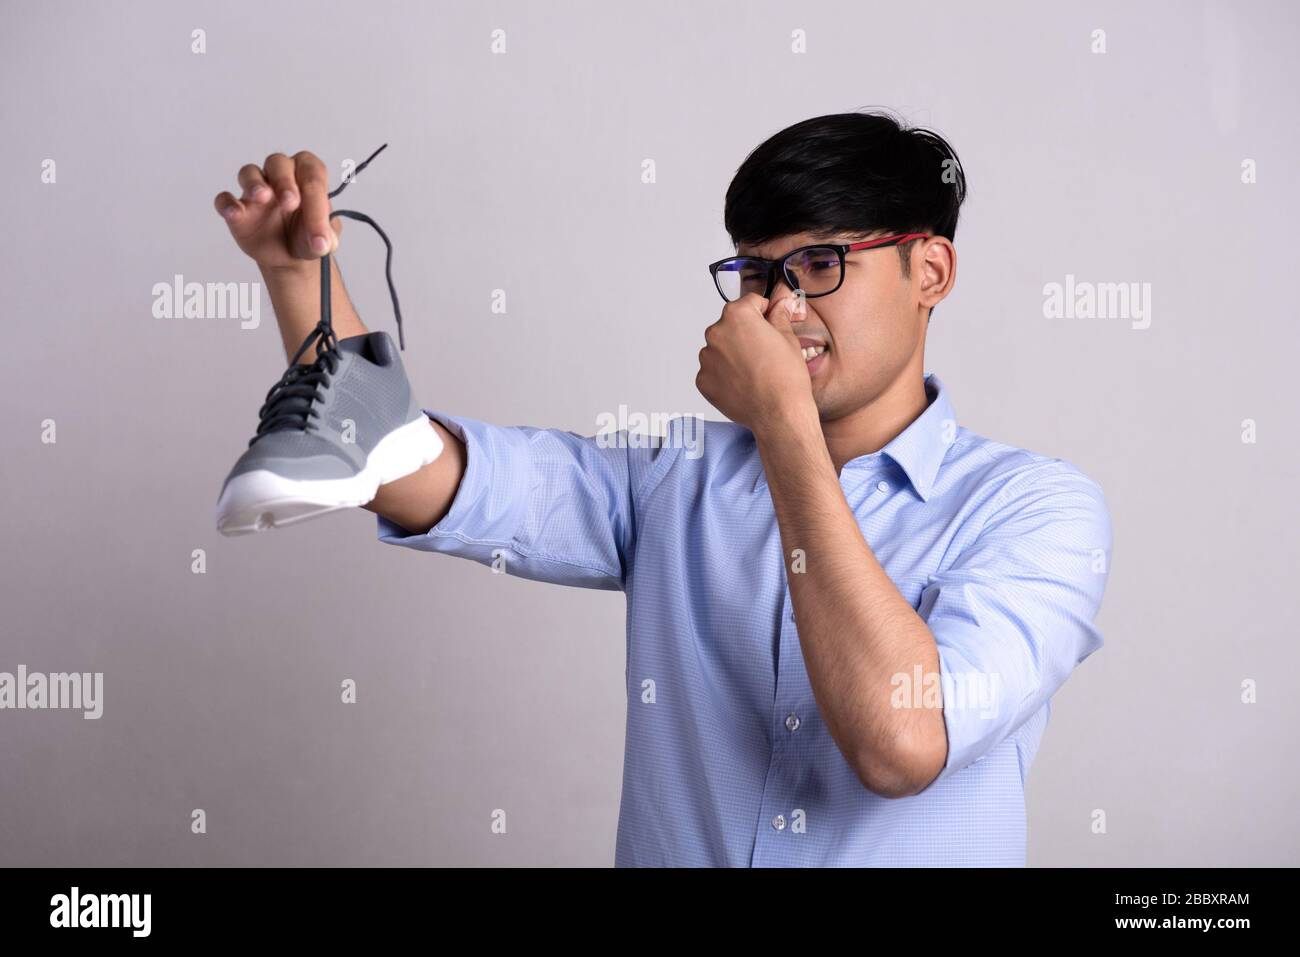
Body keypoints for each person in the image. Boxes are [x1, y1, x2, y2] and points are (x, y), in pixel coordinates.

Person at [212, 111, 1112, 866]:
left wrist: (784, 427)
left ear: (931, 274)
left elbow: (900, 741)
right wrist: (300, 274)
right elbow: (412, 469)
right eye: (758, 274)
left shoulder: (1037, 511)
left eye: (823, 266)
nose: (780, 308)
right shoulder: (671, 476)